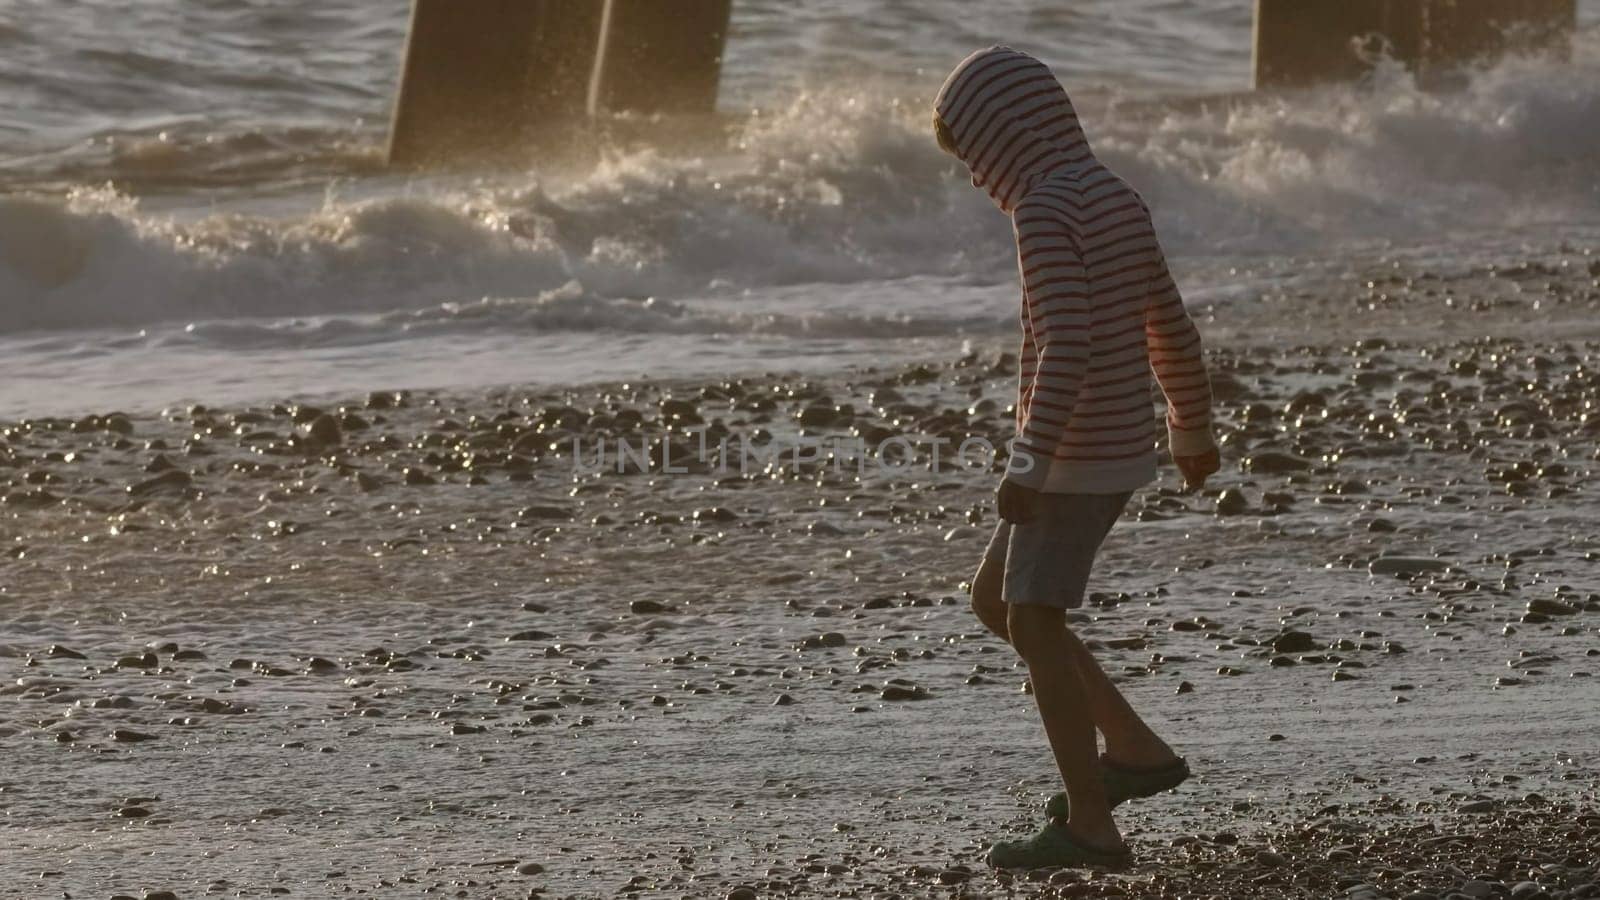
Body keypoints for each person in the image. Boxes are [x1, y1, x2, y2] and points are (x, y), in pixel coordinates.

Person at [932, 46, 1222, 868]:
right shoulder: (1114, 194)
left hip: (1070, 456)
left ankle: (1091, 824)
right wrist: (1191, 431)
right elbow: (1167, 320)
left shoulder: (1044, 211)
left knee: (1033, 618)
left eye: (973, 160)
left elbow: (1065, 346)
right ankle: (1132, 747)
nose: (979, 179)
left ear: (998, 140)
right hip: (1118, 444)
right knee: (997, 599)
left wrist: (1027, 464)